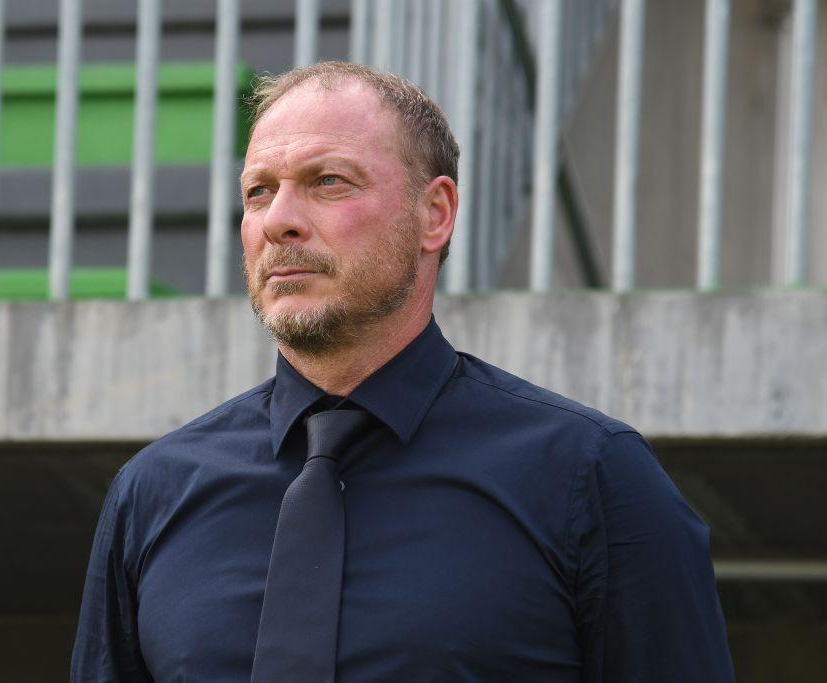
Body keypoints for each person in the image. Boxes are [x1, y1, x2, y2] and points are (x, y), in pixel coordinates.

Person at [71, 61, 734, 682]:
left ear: (434, 214)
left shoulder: (590, 478)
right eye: (259, 191)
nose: (279, 222)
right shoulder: (152, 493)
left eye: (328, 181)